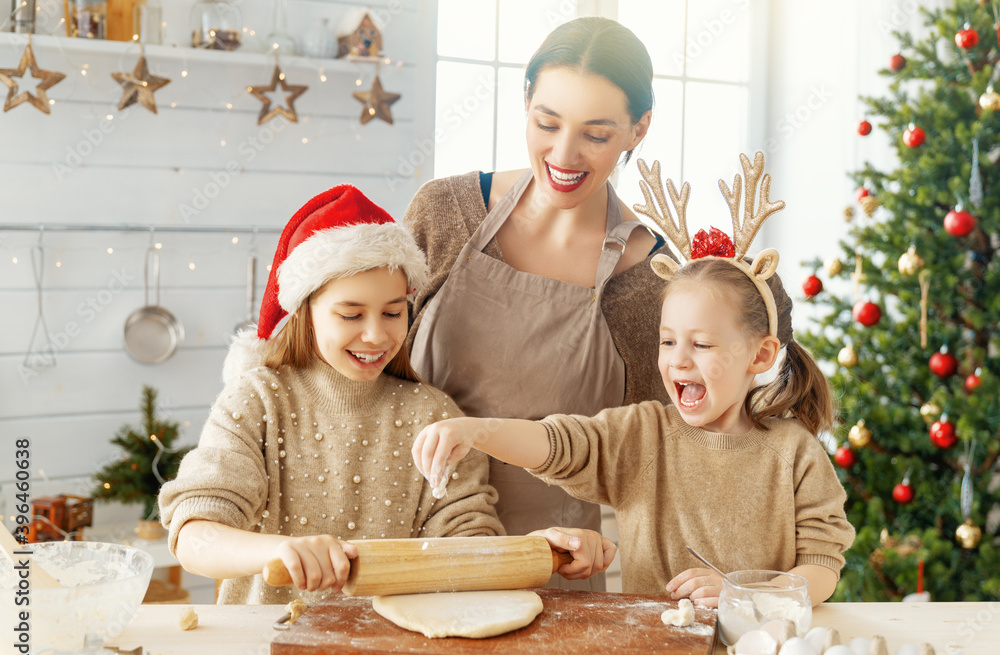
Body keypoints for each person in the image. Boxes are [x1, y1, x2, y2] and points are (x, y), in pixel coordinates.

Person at [412, 154, 856, 606]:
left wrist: (745, 595)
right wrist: (474, 432)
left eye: (701, 345)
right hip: (656, 652)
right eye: (667, 342)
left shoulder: (794, 453)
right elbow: (559, 444)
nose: (678, 361)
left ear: (760, 355)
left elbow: (821, 565)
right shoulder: (645, 434)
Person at [158, 185, 614, 605]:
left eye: (393, 312)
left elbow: (467, 550)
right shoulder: (257, 401)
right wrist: (285, 550)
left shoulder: (432, 414)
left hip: (393, 652)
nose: (376, 335)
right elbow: (195, 534)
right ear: (306, 313)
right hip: (266, 651)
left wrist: (542, 550)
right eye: (351, 315)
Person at [404, 16, 670, 591]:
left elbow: (650, 457)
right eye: (547, 123)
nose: (564, 154)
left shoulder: (652, 278)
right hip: (404, 551)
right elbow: (364, 367)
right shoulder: (444, 212)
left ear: (639, 129)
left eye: (596, 135)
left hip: (551, 575)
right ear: (525, 101)